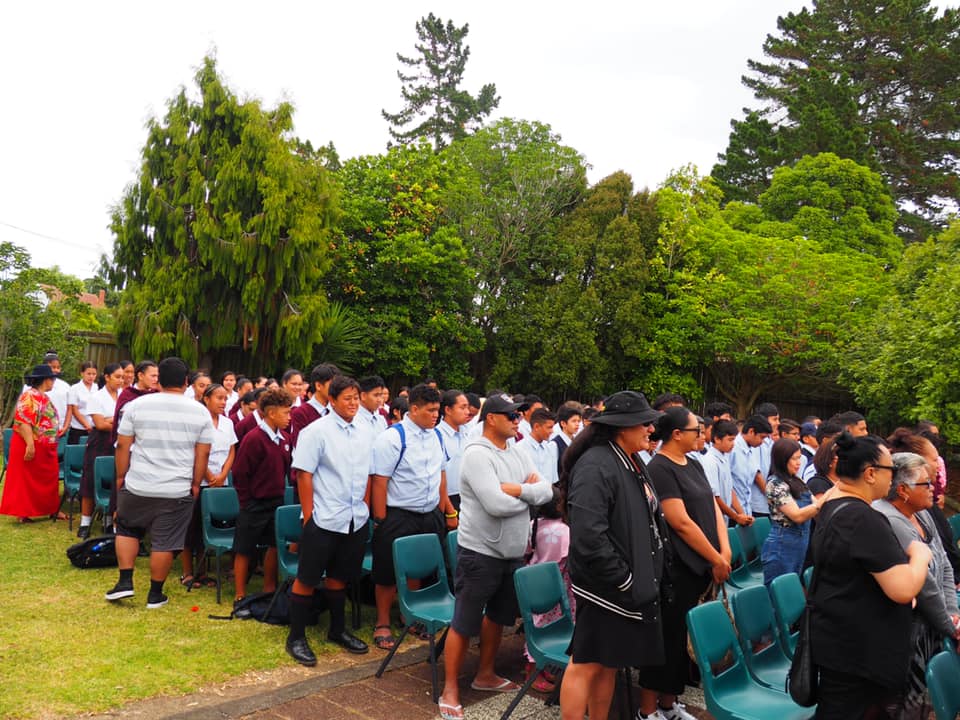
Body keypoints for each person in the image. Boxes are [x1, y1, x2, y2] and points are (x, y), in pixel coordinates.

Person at [438, 392, 555, 720]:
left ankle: (485, 673)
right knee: (464, 621)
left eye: (519, 416)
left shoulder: (517, 451)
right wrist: (529, 494)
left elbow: (547, 490)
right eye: (512, 416)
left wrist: (517, 489)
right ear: (491, 418)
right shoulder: (477, 454)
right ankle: (450, 688)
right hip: (480, 551)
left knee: (499, 617)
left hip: (512, 552)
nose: (518, 421)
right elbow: (495, 504)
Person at [559, 391, 667, 720]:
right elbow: (588, 536)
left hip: (626, 585)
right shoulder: (596, 464)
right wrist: (624, 579)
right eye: (644, 424)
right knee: (586, 664)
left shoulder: (629, 459)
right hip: (606, 587)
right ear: (622, 426)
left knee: (609, 663)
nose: (651, 430)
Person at [809, 432, 931, 718]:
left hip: (840, 643)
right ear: (870, 473)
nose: (894, 478)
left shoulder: (834, 505)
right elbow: (903, 589)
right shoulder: (863, 519)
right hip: (856, 655)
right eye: (891, 470)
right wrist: (920, 555)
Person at [638, 406, 731, 720]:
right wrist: (715, 557)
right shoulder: (660, 468)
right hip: (677, 569)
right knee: (667, 638)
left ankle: (669, 704)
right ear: (677, 434)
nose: (702, 435)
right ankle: (647, 711)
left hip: (704, 565)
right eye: (696, 430)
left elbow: (713, 507)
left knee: (684, 642)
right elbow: (680, 522)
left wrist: (724, 551)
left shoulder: (693, 463)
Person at [106, 357, 213, 608]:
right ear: (186, 382)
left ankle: (125, 581)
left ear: (159, 380)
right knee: (165, 540)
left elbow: (122, 445)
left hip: (138, 482)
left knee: (127, 528)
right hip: (176, 488)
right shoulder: (200, 412)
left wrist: (121, 476)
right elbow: (203, 453)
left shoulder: (136, 406)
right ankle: (155, 594)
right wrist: (196, 482)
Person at [285, 376, 374, 664]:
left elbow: (369, 473)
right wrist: (309, 515)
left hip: (355, 518)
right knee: (308, 578)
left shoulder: (365, 431)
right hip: (323, 517)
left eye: (356, 398)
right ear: (332, 400)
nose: (353, 403)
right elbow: (304, 474)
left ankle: (337, 630)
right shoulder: (316, 431)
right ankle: (296, 637)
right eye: (347, 398)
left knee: (340, 576)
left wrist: (365, 506)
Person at [369, 383, 457, 650]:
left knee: (420, 566)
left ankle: (412, 615)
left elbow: (441, 475)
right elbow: (379, 481)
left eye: (438, 410)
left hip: (429, 514)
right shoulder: (393, 438)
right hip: (398, 514)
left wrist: (446, 510)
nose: (436, 416)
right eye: (430, 410)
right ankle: (382, 622)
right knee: (387, 570)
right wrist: (381, 519)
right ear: (414, 409)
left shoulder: (437, 436)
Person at [874, 452, 960, 718]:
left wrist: (952, 612)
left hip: (932, 620)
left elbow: (943, 563)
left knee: (923, 699)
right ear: (903, 490)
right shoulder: (890, 519)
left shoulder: (921, 512)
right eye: (926, 483)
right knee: (906, 702)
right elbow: (925, 585)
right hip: (907, 628)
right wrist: (951, 626)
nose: (933, 488)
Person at [230, 388, 293, 604]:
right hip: (254, 503)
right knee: (244, 548)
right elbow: (240, 473)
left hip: (276, 502)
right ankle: (240, 593)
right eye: (286, 412)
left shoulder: (285, 438)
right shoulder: (254, 438)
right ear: (271, 413)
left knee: (274, 545)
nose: (289, 417)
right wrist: (246, 502)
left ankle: (269, 587)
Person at [180, 383, 237, 588]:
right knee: (192, 526)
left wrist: (222, 475)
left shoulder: (227, 423)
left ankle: (202, 572)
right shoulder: (197, 421)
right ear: (206, 399)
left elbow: (231, 451)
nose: (223, 402)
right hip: (201, 480)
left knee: (212, 525)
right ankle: (188, 572)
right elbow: (197, 452)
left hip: (221, 481)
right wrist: (210, 475)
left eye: (225, 399)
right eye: (219, 398)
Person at [522, 490, 573, 693]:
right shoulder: (565, 531)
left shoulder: (533, 525)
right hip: (558, 585)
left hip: (534, 582)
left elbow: (526, 551)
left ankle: (540, 666)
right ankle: (532, 670)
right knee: (550, 625)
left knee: (538, 624)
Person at [1, 365, 62, 522]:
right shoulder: (29, 396)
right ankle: (24, 513)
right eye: (52, 378)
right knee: (26, 480)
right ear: (45, 380)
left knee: (49, 478)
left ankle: (50, 509)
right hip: (30, 443)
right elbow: (24, 422)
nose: (54, 382)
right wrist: (30, 444)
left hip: (45, 447)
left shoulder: (43, 396)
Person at [760, 438, 822, 585]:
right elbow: (798, 516)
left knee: (793, 585)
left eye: (799, 458)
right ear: (782, 460)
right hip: (782, 545)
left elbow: (815, 505)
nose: (798, 463)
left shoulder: (797, 480)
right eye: (794, 459)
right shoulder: (775, 484)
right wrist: (826, 497)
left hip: (800, 542)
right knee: (780, 590)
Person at [77, 363, 124, 539]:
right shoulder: (97, 397)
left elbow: (123, 420)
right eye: (117, 377)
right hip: (99, 442)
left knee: (114, 480)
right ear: (107, 377)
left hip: (118, 442)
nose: (121, 380)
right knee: (90, 479)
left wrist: (110, 420)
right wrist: (115, 421)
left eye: (122, 377)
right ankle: (85, 522)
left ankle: (108, 521)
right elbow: (100, 424)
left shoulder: (123, 395)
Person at [701, 419, 751, 527]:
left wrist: (742, 514)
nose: (733, 444)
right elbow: (714, 497)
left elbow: (730, 490)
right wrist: (736, 517)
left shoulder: (725, 457)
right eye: (730, 440)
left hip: (724, 519)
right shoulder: (710, 461)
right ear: (717, 439)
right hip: (713, 520)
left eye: (734, 440)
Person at [729, 415, 772, 518]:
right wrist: (740, 514)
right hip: (733, 513)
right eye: (761, 437)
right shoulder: (733, 448)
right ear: (751, 431)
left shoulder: (751, 450)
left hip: (746, 510)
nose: (762, 442)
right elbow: (727, 486)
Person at [438, 389, 471, 511]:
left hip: (467, 496)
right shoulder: (437, 435)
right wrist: (448, 509)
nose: (467, 412)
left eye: (467, 407)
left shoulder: (468, 433)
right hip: (446, 498)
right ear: (448, 410)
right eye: (462, 408)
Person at [289, 364, 339, 443]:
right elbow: (299, 444)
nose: (336, 389)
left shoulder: (337, 410)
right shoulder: (300, 413)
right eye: (332, 385)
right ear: (318, 386)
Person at [516, 407, 560, 486]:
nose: (552, 431)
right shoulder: (519, 449)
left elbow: (553, 481)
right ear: (536, 427)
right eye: (549, 427)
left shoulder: (551, 448)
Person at [65, 361, 99, 445]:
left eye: (94, 374)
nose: (91, 376)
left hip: (94, 427)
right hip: (78, 428)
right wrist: (86, 425)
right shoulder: (74, 388)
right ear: (82, 373)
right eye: (88, 374)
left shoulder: (97, 388)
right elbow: (74, 410)